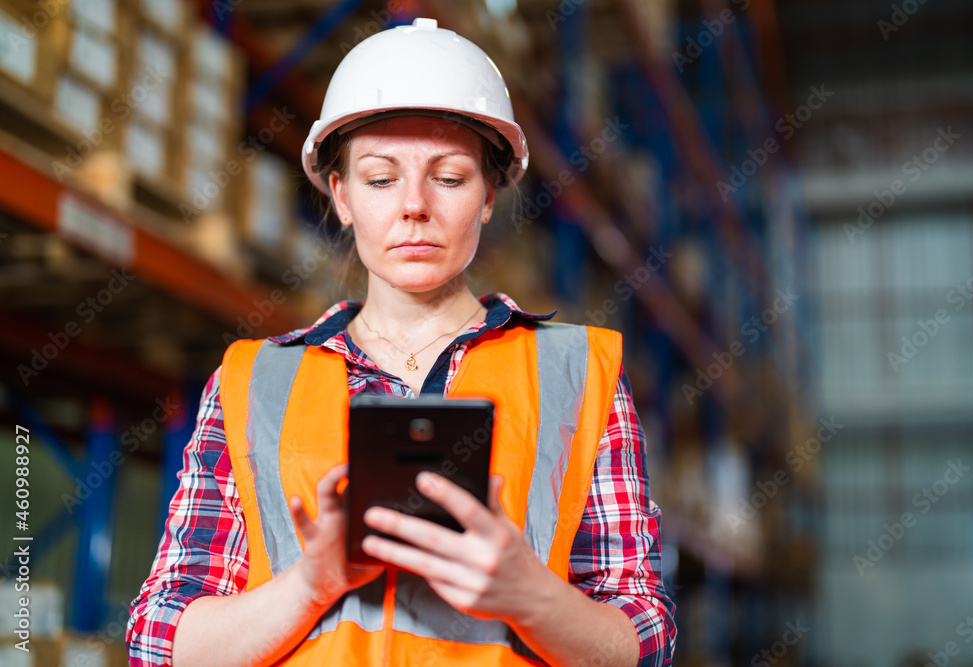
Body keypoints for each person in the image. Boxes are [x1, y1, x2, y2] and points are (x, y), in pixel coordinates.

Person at [127, 17, 676, 667]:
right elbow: (160, 643)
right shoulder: (253, 382)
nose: (414, 206)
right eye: (381, 178)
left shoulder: (579, 373)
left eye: (448, 177)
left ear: (489, 196)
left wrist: (526, 593)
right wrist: (312, 581)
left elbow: (644, 642)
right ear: (341, 195)